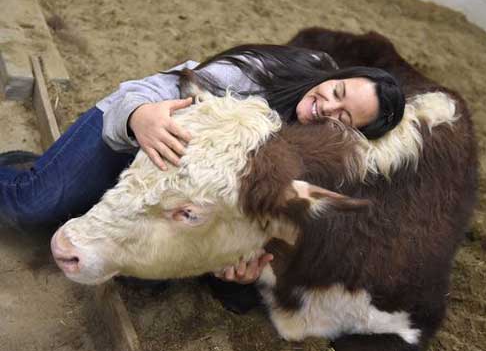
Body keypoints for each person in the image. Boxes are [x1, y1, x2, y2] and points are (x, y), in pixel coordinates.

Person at [0, 44, 405, 287]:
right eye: (337, 91)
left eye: (344, 117)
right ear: (338, 76)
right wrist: (140, 116)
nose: (328, 105)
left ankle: (61, 175)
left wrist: (232, 259)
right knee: (32, 205)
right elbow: (147, 89)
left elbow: (227, 222)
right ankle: (31, 173)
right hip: (128, 129)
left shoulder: (300, 158)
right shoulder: (258, 75)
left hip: (161, 183)